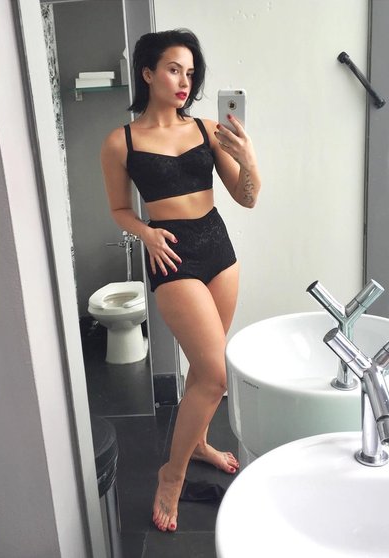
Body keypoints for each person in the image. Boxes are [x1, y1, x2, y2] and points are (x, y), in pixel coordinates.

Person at [101, 28, 261, 533]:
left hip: (219, 251)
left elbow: (247, 197)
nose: (184, 81)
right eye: (174, 69)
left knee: (202, 369)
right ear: (148, 72)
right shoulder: (122, 142)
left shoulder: (208, 130)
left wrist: (249, 159)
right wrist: (145, 232)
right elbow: (119, 209)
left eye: (190, 73)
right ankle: (171, 476)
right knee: (216, 375)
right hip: (171, 256)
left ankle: (200, 443)